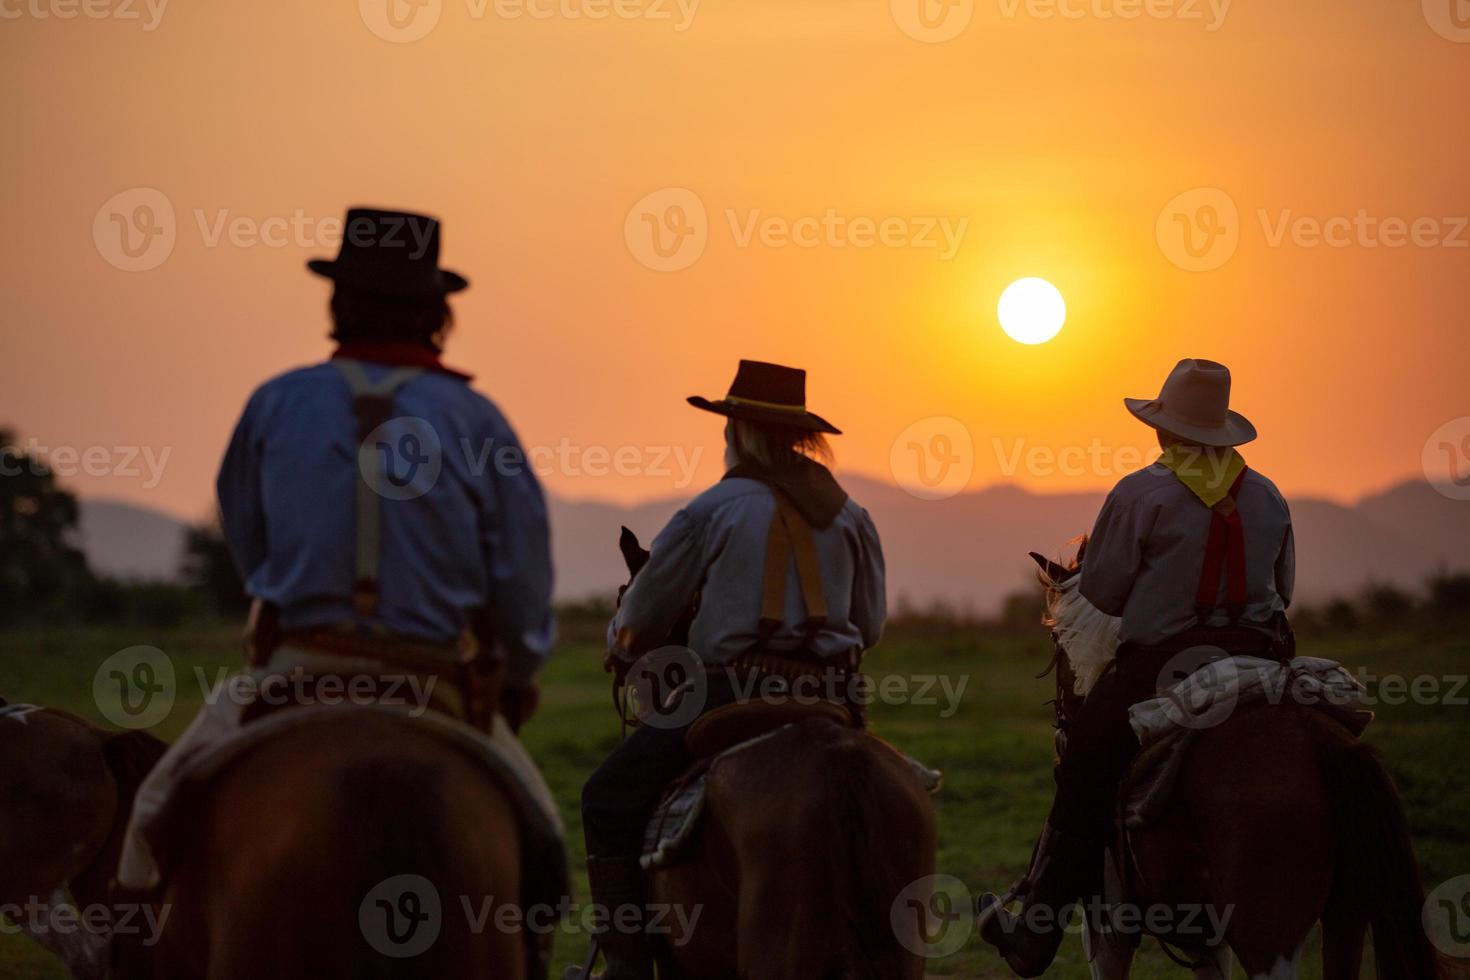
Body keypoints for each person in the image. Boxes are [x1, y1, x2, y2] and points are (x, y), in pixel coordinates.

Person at [115, 206, 554, 894]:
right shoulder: (476, 418)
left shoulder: (276, 402)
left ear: (339, 301)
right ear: (434, 312)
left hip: (297, 665)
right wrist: (521, 669)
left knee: (148, 827)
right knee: (544, 853)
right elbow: (521, 574)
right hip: (431, 676)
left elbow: (250, 545)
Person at [979, 358, 1295, 977]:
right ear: (1223, 429)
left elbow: (1102, 594)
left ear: (1162, 429)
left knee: (1083, 767)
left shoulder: (1140, 492)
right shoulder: (1268, 495)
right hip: (1260, 660)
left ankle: (1034, 935)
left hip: (1161, 666)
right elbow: (1284, 588)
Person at [573, 359, 886, 980]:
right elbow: (869, 625)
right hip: (831, 695)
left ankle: (628, 965)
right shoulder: (853, 515)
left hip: (725, 690)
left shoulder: (712, 509)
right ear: (798, 435)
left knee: (605, 798)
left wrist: (620, 640)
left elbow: (643, 618)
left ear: (738, 431)